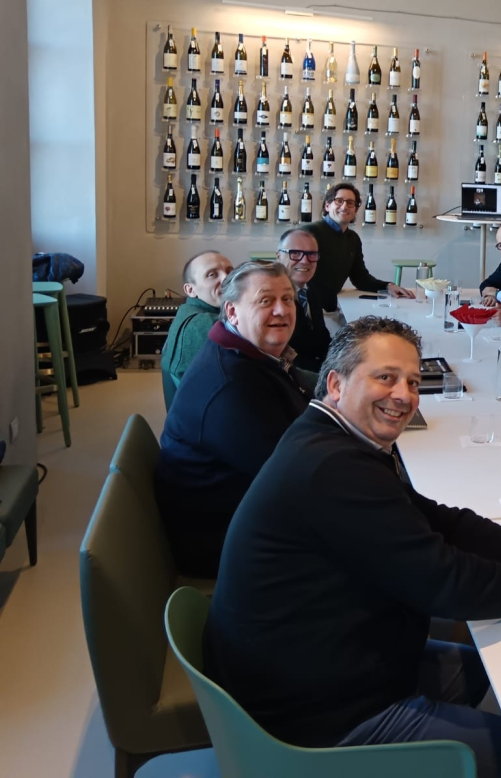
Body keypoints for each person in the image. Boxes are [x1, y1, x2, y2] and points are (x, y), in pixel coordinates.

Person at [205, 317, 501, 777]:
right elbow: (444, 583)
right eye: (385, 377)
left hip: (313, 662)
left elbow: (437, 519)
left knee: (489, 671)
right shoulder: (333, 469)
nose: (404, 395)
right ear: (336, 384)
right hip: (311, 719)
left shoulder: (327, 436)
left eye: (412, 381)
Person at [155, 262, 307, 576]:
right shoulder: (231, 387)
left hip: (248, 512)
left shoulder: (246, 353)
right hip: (228, 545)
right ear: (232, 312)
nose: (281, 310)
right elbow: (296, 478)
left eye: (287, 299)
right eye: (265, 300)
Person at [301, 182, 414, 313]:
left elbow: (360, 278)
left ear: (355, 210)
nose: (344, 206)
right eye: (339, 201)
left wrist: (388, 286)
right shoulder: (310, 232)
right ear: (327, 205)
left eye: (350, 203)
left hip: (330, 309)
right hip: (306, 310)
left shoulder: (352, 239)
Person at [161, 250, 234, 394]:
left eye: (230, 272)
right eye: (212, 274)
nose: (226, 278)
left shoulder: (187, 310)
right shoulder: (206, 324)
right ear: (190, 290)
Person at [277, 227, 331, 377]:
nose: (305, 261)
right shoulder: (274, 300)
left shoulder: (311, 290)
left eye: (311, 254)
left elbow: (321, 337)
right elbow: (285, 356)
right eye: (295, 253)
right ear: (279, 256)